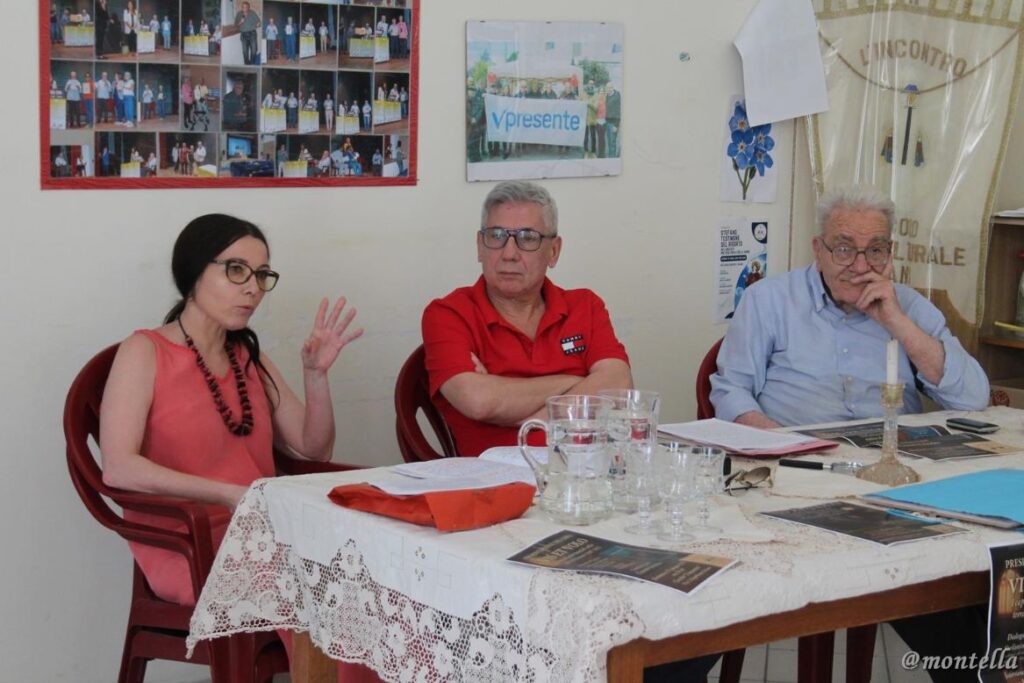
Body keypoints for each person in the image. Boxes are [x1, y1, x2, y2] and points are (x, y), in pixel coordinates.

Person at [711, 185, 990, 683]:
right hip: (800, 479)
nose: (859, 263)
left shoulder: (908, 307)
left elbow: (973, 398)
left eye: (875, 250)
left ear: (890, 253)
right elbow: (731, 393)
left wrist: (894, 319)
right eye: (843, 247)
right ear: (817, 248)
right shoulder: (768, 300)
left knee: (973, 591)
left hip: (897, 488)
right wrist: (784, 444)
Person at [98, 212, 363, 644]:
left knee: (381, 574)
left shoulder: (247, 356)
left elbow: (314, 447)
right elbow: (119, 469)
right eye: (236, 270)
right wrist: (227, 494)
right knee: (333, 591)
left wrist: (315, 376)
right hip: (189, 544)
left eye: (261, 275)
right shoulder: (143, 350)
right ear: (193, 272)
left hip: (265, 533)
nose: (253, 288)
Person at [421, 180, 633, 457]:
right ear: (479, 246)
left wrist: (528, 413)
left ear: (553, 251)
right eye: (496, 236)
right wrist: (575, 381)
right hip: (495, 484)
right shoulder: (448, 314)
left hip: (586, 476)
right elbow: (480, 402)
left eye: (528, 238)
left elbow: (619, 384)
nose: (509, 254)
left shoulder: (586, 306)